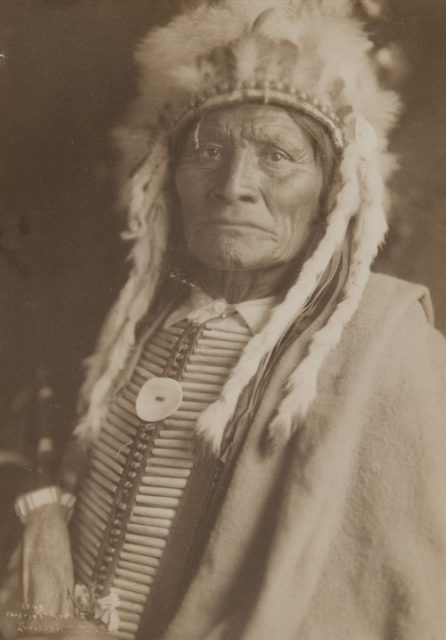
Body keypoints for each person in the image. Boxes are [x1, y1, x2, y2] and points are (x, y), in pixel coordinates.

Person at [2, 1, 446, 639]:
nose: (233, 184)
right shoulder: (134, 319)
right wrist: (42, 517)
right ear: (170, 178)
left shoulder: (384, 345)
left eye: (277, 156)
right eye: (208, 151)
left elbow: (388, 604)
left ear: (331, 192)